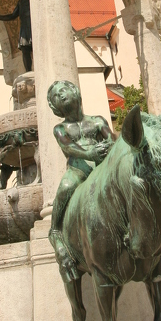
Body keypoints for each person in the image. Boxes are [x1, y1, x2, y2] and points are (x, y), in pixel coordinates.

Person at [47, 80, 115, 280]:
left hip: (102, 166)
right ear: (55, 107)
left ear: (75, 91)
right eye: (55, 97)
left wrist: (109, 147)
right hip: (78, 170)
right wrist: (90, 152)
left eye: (63, 90)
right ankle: (56, 232)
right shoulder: (60, 128)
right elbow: (68, 147)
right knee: (65, 188)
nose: (60, 95)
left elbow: (112, 138)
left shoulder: (98, 120)